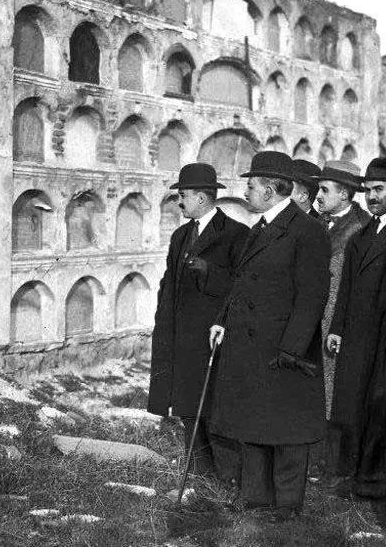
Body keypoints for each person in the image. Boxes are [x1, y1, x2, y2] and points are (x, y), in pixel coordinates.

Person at [208, 150, 331, 519]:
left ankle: (288, 505)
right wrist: (222, 319)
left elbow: (312, 296)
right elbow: (241, 281)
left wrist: (291, 349)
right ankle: (257, 498)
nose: (245, 192)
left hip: (283, 348)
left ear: (271, 190)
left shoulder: (307, 231)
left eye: (251, 186)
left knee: (288, 430)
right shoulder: (260, 227)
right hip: (250, 342)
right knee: (253, 423)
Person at [147, 163, 249, 481]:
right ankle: (198, 470)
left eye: (183, 196)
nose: (180, 202)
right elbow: (170, 282)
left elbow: (241, 285)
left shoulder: (235, 234)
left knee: (216, 407)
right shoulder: (180, 236)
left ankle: (228, 474)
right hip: (182, 338)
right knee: (189, 406)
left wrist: (208, 271)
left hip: (214, 337)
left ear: (203, 198)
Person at [326, 157, 386, 498]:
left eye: (378, 190)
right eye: (368, 191)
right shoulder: (364, 233)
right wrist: (336, 328)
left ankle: (375, 478)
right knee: (351, 405)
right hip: (356, 337)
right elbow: (346, 287)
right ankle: (350, 472)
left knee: (381, 409)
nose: (371, 197)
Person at [312, 160, 370, 484]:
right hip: (316, 318)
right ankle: (319, 462)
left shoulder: (360, 227)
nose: (317, 196)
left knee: (336, 395)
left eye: (324, 190)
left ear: (345, 194)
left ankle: (336, 468)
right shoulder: (320, 223)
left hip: (337, 321)